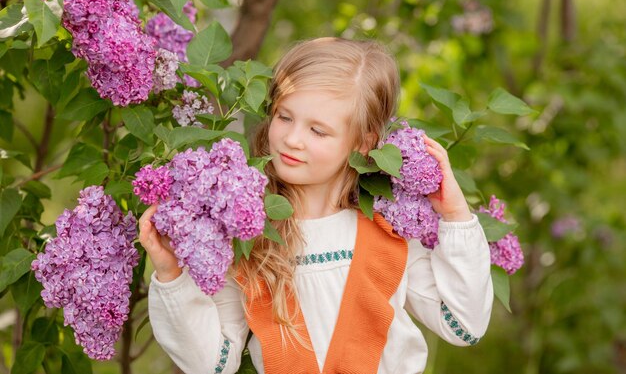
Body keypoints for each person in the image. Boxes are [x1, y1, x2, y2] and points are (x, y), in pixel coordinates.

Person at [139, 37, 493, 374]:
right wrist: (172, 275)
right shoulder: (250, 239)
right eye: (285, 117)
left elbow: (464, 325)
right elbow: (212, 364)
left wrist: (456, 216)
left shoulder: (388, 235)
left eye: (318, 131)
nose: (292, 139)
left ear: (364, 143)